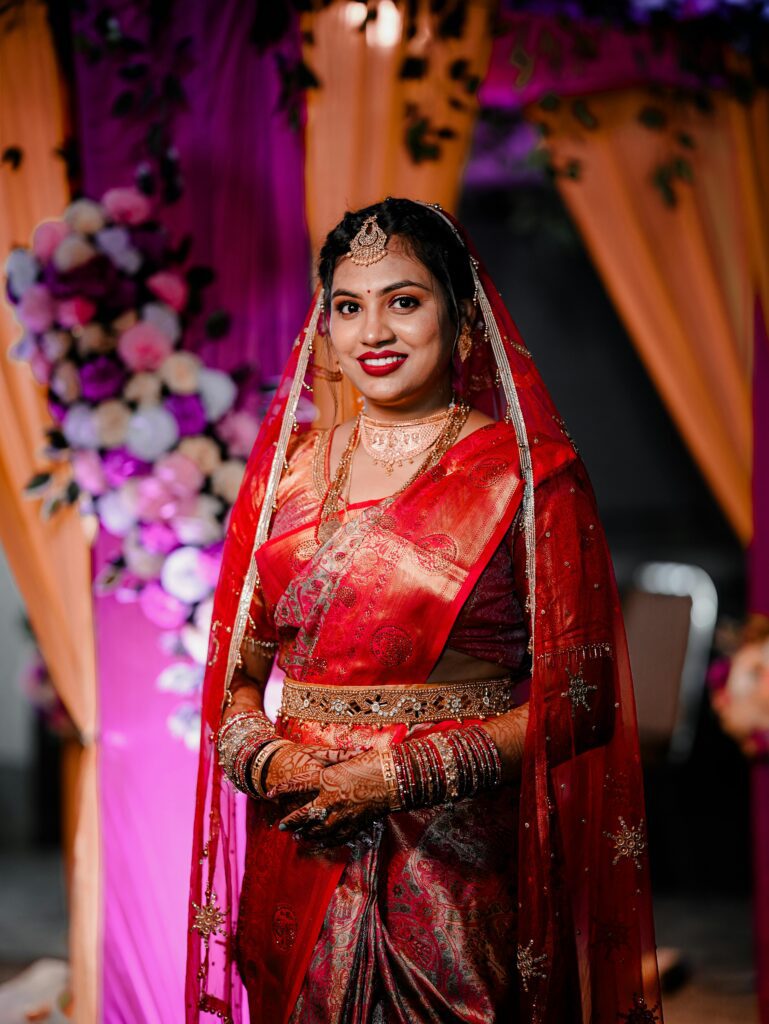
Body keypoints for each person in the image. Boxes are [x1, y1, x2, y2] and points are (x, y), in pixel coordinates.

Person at [186, 198, 662, 1024]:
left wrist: (396, 776)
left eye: (404, 300)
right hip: (299, 851)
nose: (373, 330)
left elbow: (579, 709)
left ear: (463, 317)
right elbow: (238, 679)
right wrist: (271, 763)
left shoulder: (528, 479)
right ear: (324, 329)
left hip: (451, 869)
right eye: (347, 305)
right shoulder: (285, 477)